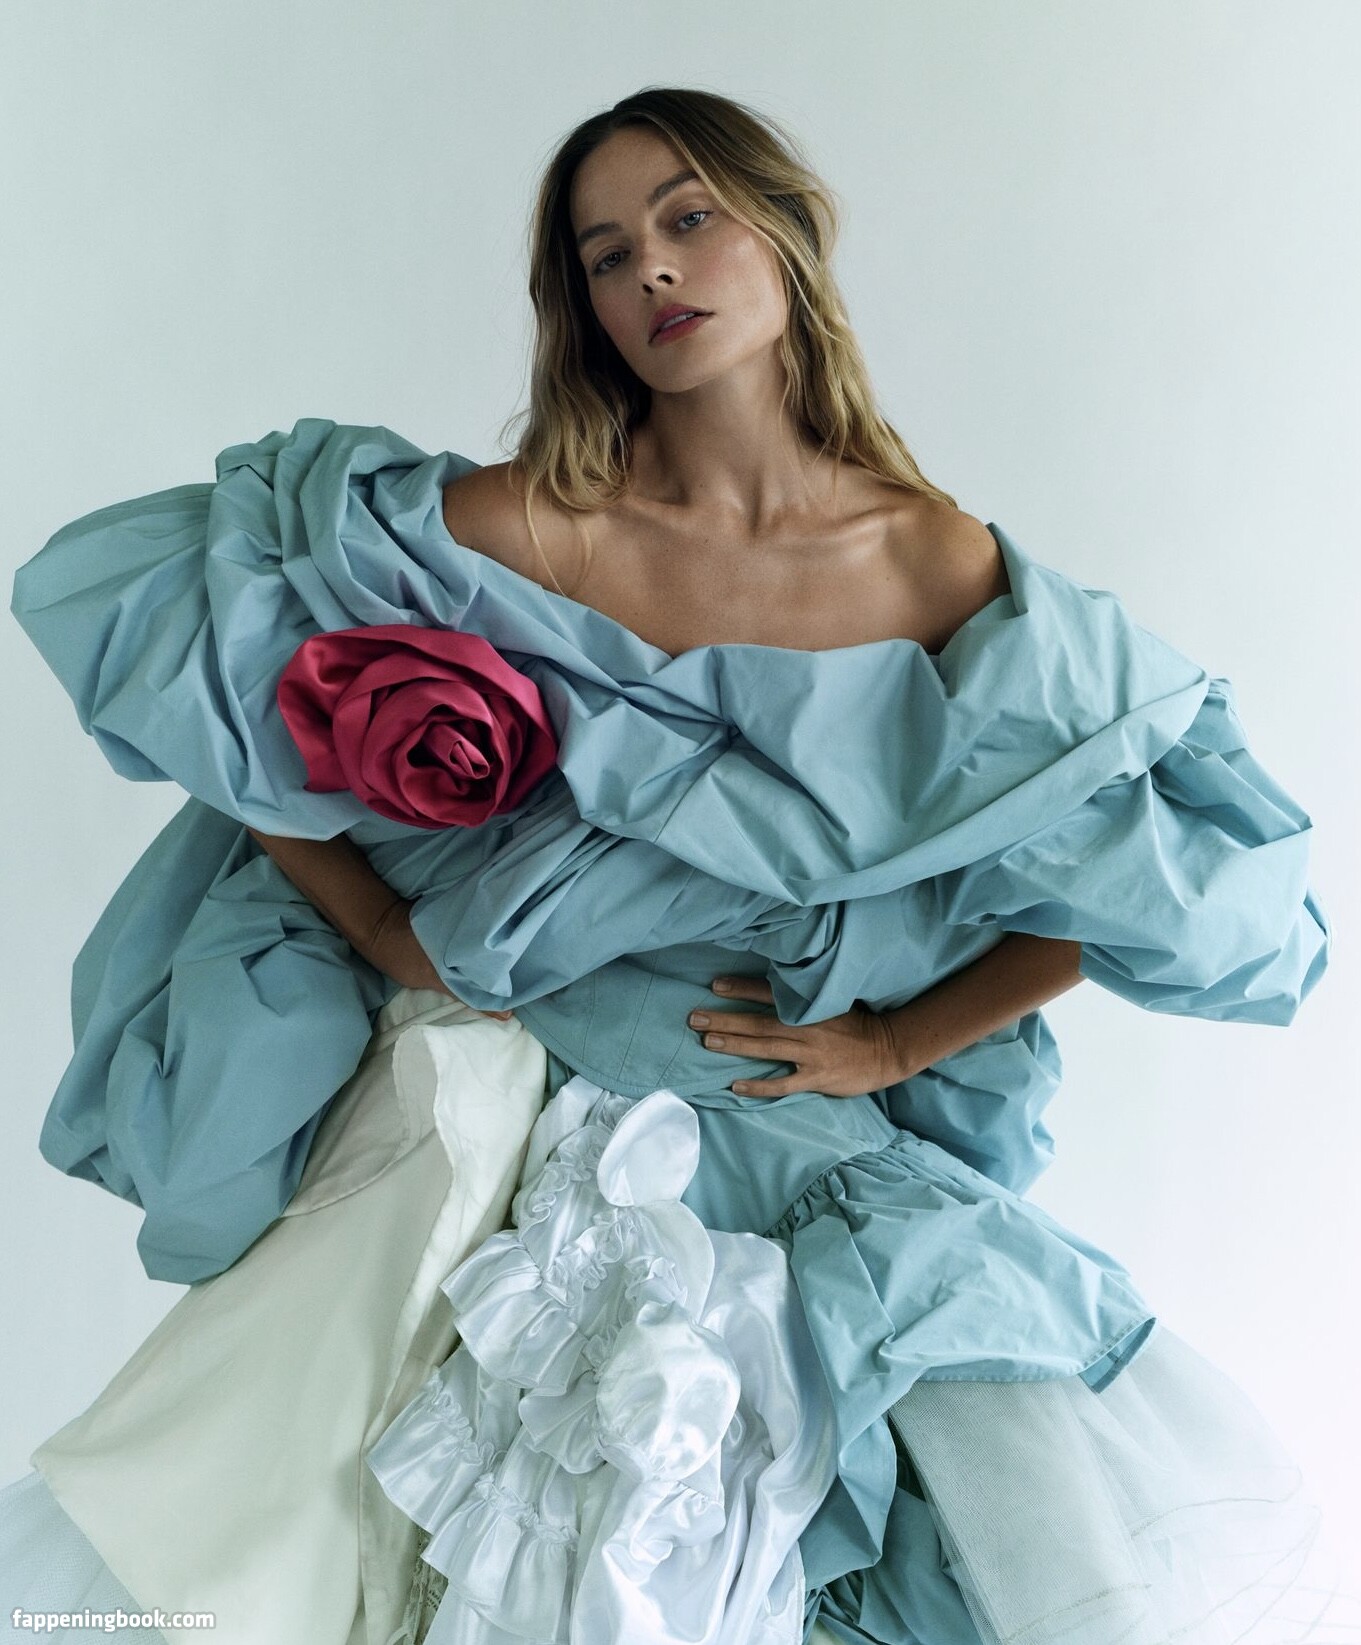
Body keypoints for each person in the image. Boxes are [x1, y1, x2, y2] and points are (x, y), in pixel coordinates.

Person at [3, 86, 1357, 1645]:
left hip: (793, 1152)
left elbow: (1148, 870)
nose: (649, 266)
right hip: (512, 1124)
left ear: (785, 235)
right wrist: (379, 925)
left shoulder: (937, 564)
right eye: (603, 253)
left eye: (686, 217)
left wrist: (900, 1041)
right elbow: (202, 644)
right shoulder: (528, 526)